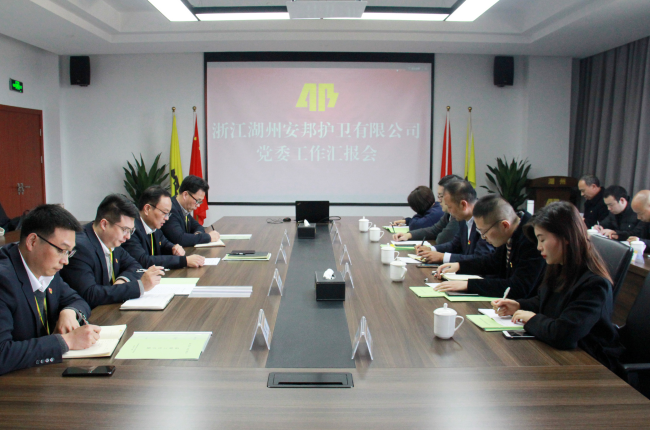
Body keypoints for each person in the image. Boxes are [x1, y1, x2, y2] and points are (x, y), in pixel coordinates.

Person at [491, 201, 623, 371]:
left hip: (592, 365)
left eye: (542, 239)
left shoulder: (595, 284)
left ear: (566, 237)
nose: (538, 247)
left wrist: (531, 319)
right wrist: (518, 305)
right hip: (564, 357)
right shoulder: (560, 267)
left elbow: (564, 334)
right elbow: (546, 301)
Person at [0, 204, 100, 375]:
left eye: (69, 252)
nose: (65, 261)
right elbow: (2, 354)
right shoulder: (4, 280)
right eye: (61, 250)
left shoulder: (45, 268)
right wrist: (66, 341)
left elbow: (78, 300)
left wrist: (69, 312)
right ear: (32, 241)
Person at [60, 194, 164, 308]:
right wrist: (140, 286)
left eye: (131, 230)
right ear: (104, 224)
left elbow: (135, 266)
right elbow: (90, 294)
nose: (128, 236)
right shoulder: (81, 247)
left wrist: (122, 281)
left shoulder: (111, 240)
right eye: (125, 230)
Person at [433, 194, 545, 299]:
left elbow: (519, 287)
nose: (483, 237)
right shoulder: (510, 232)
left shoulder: (531, 238)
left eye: (484, 232)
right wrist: (460, 266)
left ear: (504, 225)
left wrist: (468, 285)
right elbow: (493, 262)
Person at [122, 186, 206, 270]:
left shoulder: (154, 226)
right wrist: (183, 261)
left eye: (168, 214)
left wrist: (173, 248)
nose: (167, 218)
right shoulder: (131, 229)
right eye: (164, 213)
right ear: (147, 209)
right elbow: (143, 261)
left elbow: (164, 243)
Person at [415, 180, 494, 263]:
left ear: (463, 205)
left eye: (450, 207)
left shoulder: (485, 220)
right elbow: (455, 245)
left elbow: (481, 258)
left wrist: (443, 257)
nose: (449, 211)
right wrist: (431, 249)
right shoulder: (463, 218)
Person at [393, 175, 461, 245]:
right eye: (438, 196)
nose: (439, 200)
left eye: (441, 196)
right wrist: (408, 235)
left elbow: (441, 239)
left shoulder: (458, 216)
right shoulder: (448, 214)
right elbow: (434, 230)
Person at [161, 175, 220, 247]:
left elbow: (197, 226)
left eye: (200, 202)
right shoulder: (170, 209)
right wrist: (208, 237)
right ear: (185, 195)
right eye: (197, 201)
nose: (198, 205)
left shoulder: (183, 208)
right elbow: (180, 239)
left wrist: (197, 236)